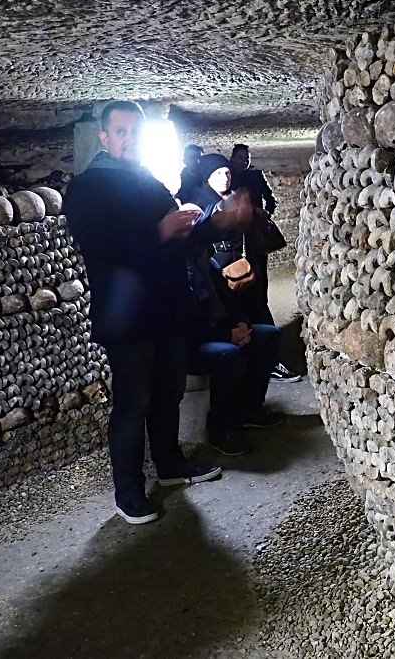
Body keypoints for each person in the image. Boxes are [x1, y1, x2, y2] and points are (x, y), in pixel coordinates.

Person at [63, 101, 250, 525]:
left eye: (136, 132)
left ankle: (169, 466)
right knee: (133, 403)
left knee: (169, 394)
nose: (130, 139)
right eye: (122, 131)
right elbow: (100, 248)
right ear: (106, 137)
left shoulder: (148, 184)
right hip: (125, 317)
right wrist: (159, 231)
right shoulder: (88, 188)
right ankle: (127, 491)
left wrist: (215, 222)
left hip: (166, 311)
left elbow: (179, 240)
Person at [186, 156, 287, 456]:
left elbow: (222, 296)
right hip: (191, 342)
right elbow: (186, 318)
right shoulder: (176, 268)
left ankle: (250, 410)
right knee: (228, 356)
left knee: (267, 335)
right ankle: (221, 428)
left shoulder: (201, 259)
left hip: (217, 330)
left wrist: (240, 323)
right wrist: (225, 337)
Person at [229, 144, 302, 382]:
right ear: (233, 159)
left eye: (247, 158)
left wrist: (264, 212)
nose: (244, 162)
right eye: (240, 158)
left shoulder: (254, 176)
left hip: (255, 239)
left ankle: (263, 328)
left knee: (258, 284)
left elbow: (270, 198)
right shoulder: (230, 181)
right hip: (237, 245)